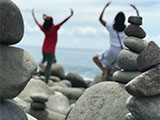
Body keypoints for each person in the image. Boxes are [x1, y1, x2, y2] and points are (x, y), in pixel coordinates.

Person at [32, 8, 74, 83]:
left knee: (45, 59)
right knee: (48, 67)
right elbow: (63, 21)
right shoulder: (54, 28)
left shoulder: (44, 29)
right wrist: (70, 15)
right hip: (51, 51)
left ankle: (41, 64)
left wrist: (33, 15)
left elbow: (37, 23)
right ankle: (46, 82)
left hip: (44, 50)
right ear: (51, 21)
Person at [93, 0, 126, 79]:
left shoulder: (111, 26)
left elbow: (100, 19)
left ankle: (104, 71)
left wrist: (105, 7)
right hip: (121, 51)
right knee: (115, 74)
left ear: (115, 18)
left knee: (95, 58)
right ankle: (114, 88)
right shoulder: (126, 29)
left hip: (112, 50)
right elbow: (137, 28)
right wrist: (137, 12)